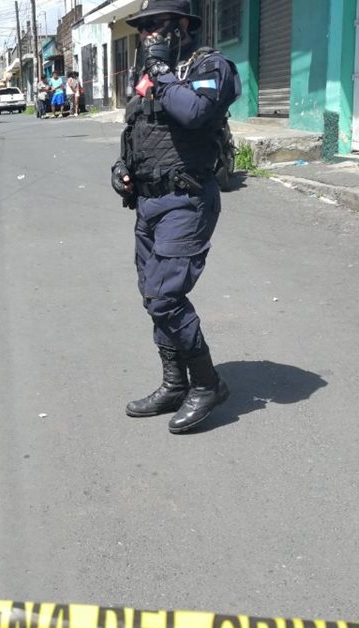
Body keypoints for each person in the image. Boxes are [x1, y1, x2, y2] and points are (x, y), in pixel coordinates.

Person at [111, 0, 241, 433]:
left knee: (167, 296)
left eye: (158, 27)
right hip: (149, 203)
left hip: (187, 200)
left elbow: (196, 113)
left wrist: (163, 74)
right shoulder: (148, 75)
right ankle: (173, 383)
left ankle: (206, 384)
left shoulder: (211, 66)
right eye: (144, 28)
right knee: (153, 296)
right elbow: (138, 128)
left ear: (183, 26)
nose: (149, 35)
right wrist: (122, 169)